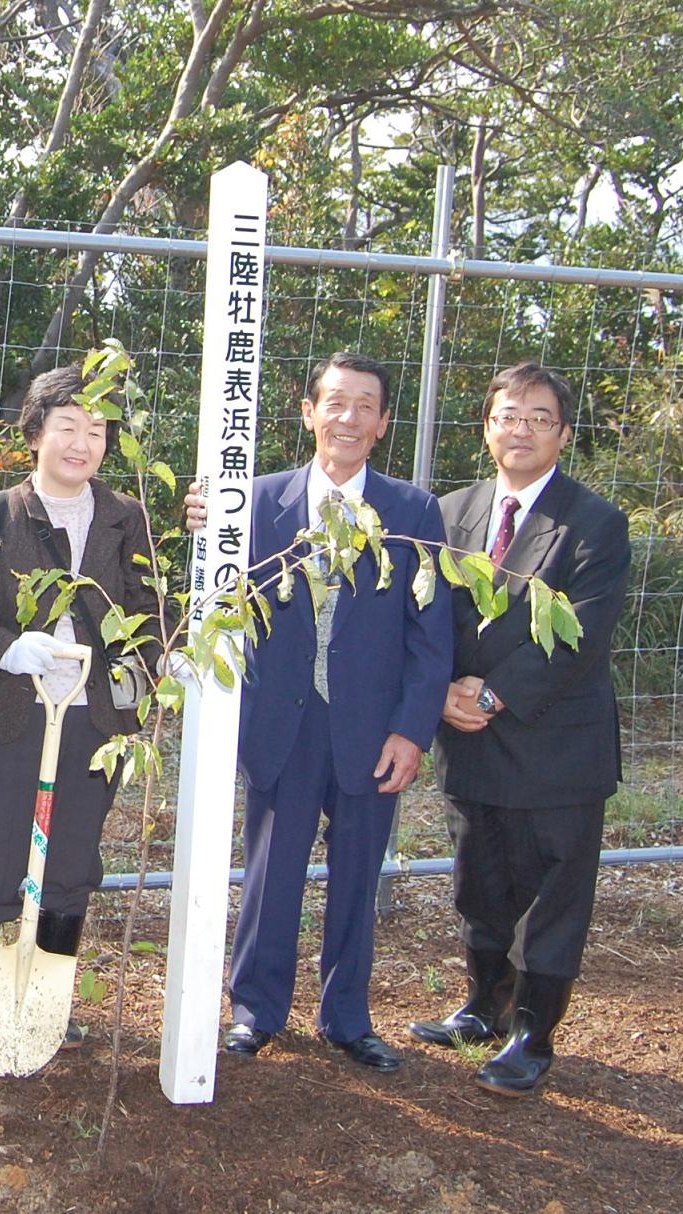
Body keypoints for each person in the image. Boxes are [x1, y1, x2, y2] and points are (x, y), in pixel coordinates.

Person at [186, 352, 452, 1070]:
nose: (348, 418)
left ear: (383, 423)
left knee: (359, 874)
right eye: (334, 403)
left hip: (370, 726)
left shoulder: (412, 509)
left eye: (365, 405)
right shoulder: (254, 501)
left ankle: (346, 1016)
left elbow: (431, 635)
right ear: (308, 413)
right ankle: (255, 1009)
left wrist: (411, 729)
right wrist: (200, 527)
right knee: (271, 870)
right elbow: (211, 602)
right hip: (282, 720)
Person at [409, 362, 630, 1097]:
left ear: (563, 433)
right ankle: (481, 1005)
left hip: (554, 744)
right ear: (487, 427)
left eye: (539, 417)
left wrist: (495, 694)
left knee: (553, 891)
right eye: (509, 415)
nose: (522, 429)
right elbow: (423, 613)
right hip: (466, 736)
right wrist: (441, 688)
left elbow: (582, 634)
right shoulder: (450, 512)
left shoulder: (593, 521)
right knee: (481, 882)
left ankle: (533, 1029)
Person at [0, 363, 157, 1041]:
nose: (81, 443)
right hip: (10, 712)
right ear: (34, 432)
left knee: (70, 860)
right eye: (66, 426)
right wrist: (7, 649)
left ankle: (46, 995)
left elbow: (152, 614)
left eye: (96, 430)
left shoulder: (127, 519)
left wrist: (140, 674)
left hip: (94, 720)